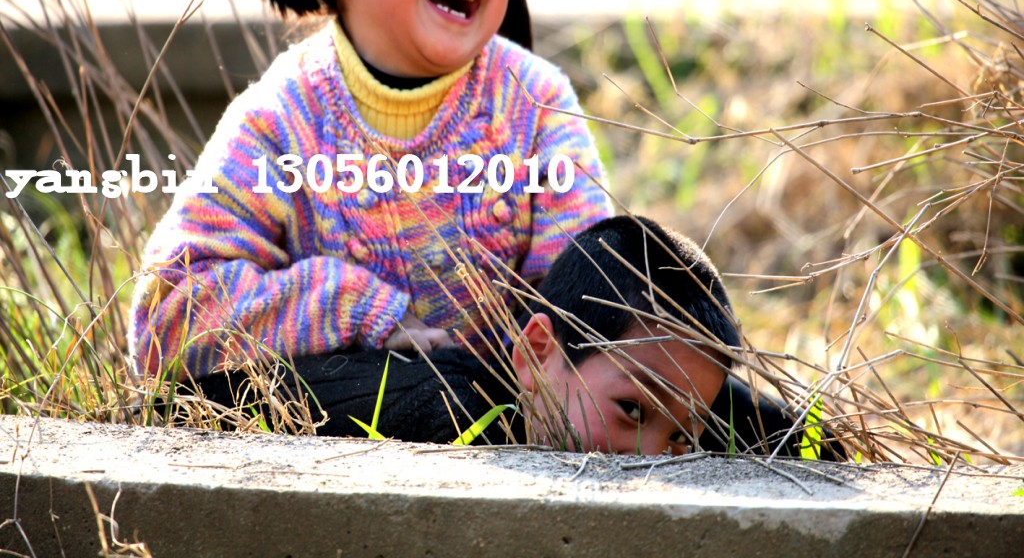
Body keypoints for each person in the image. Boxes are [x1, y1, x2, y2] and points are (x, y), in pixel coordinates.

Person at [129, 0, 611, 379]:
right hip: (352, 415)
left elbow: (593, 311)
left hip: (517, 409)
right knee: (398, 389)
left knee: (703, 385)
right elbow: (165, 322)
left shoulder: (535, 103)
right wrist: (355, 307)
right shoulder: (280, 120)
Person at [190, 216, 843, 458]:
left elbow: (811, 444)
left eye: (681, 437)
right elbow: (189, 406)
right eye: (632, 412)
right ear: (537, 354)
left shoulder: (669, 385)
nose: (651, 457)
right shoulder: (440, 416)